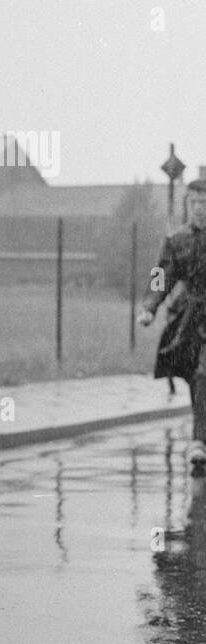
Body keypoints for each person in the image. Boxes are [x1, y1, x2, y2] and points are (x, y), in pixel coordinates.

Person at [139, 177, 206, 478]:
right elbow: (160, 276)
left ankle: (198, 441)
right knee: (195, 377)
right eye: (195, 204)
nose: (201, 210)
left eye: (205, 204)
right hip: (192, 319)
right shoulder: (177, 241)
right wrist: (149, 307)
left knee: (204, 373)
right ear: (189, 205)